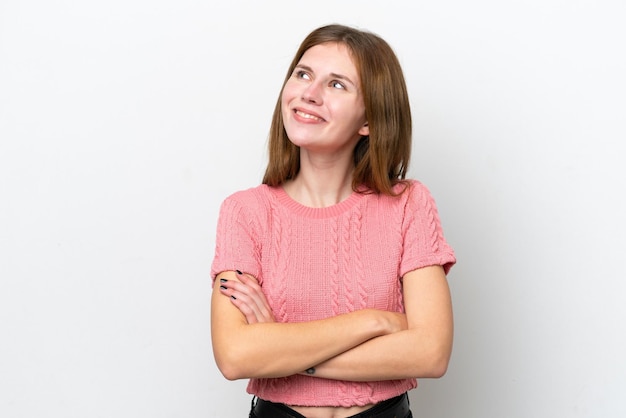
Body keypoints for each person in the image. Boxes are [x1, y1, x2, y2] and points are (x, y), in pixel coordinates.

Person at [210, 23, 456, 418]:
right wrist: (372, 321)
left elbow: (431, 352)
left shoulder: (409, 204)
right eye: (303, 74)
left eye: (337, 84)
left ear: (370, 121)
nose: (309, 92)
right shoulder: (245, 211)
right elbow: (235, 355)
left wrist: (281, 346)